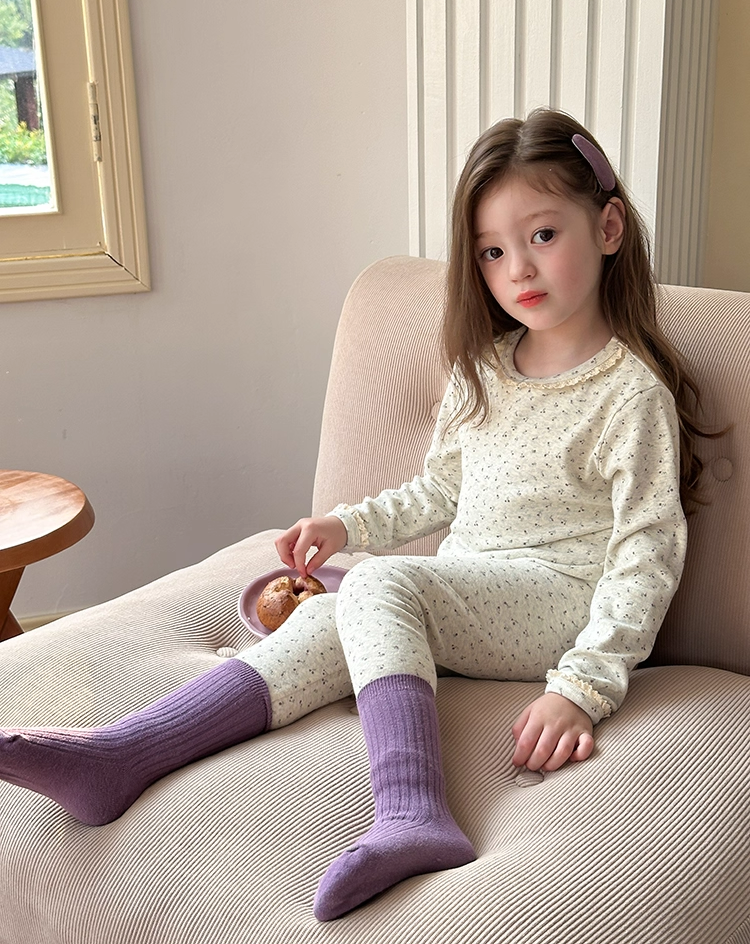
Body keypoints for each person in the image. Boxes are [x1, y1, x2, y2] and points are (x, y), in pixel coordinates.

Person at [0, 109, 707, 922]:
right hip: (474, 590)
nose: (518, 268)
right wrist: (347, 527)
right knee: (328, 613)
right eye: (492, 251)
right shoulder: (484, 368)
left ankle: (412, 813)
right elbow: (439, 491)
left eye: (543, 235)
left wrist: (583, 687)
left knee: (380, 588)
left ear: (608, 227)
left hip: (562, 606)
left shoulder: (629, 395)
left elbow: (647, 556)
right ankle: (123, 756)